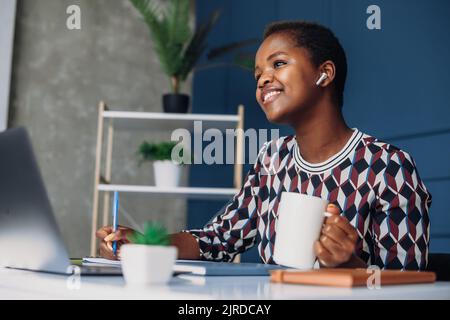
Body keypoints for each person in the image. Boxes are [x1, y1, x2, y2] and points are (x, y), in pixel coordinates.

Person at [97, 21, 431, 270]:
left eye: (279, 63)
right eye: (257, 73)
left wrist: (348, 263)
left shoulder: (387, 166)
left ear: (324, 73)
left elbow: (409, 284)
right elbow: (219, 240)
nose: (262, 79)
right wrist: (145, 243)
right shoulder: (273, 159)